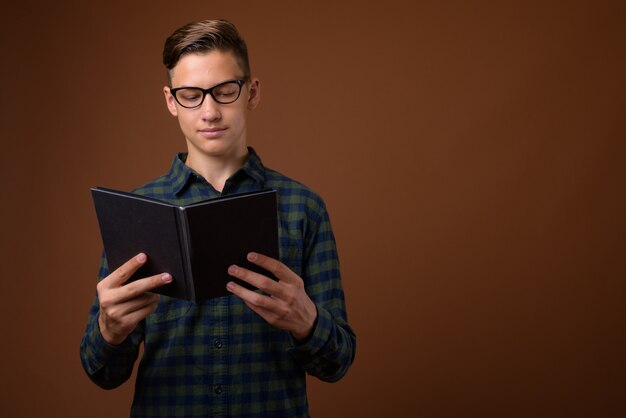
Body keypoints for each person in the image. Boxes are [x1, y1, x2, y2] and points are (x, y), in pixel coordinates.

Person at [80, 19, 356, 417]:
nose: (209, 111)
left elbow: (338, 364)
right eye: (191, 95)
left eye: (225, 91)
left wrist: (307, 322)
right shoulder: (139, 212)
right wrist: (109, 329)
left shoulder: (302, 207)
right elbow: (101, 373)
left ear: (252, 92)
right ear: (171, 101)